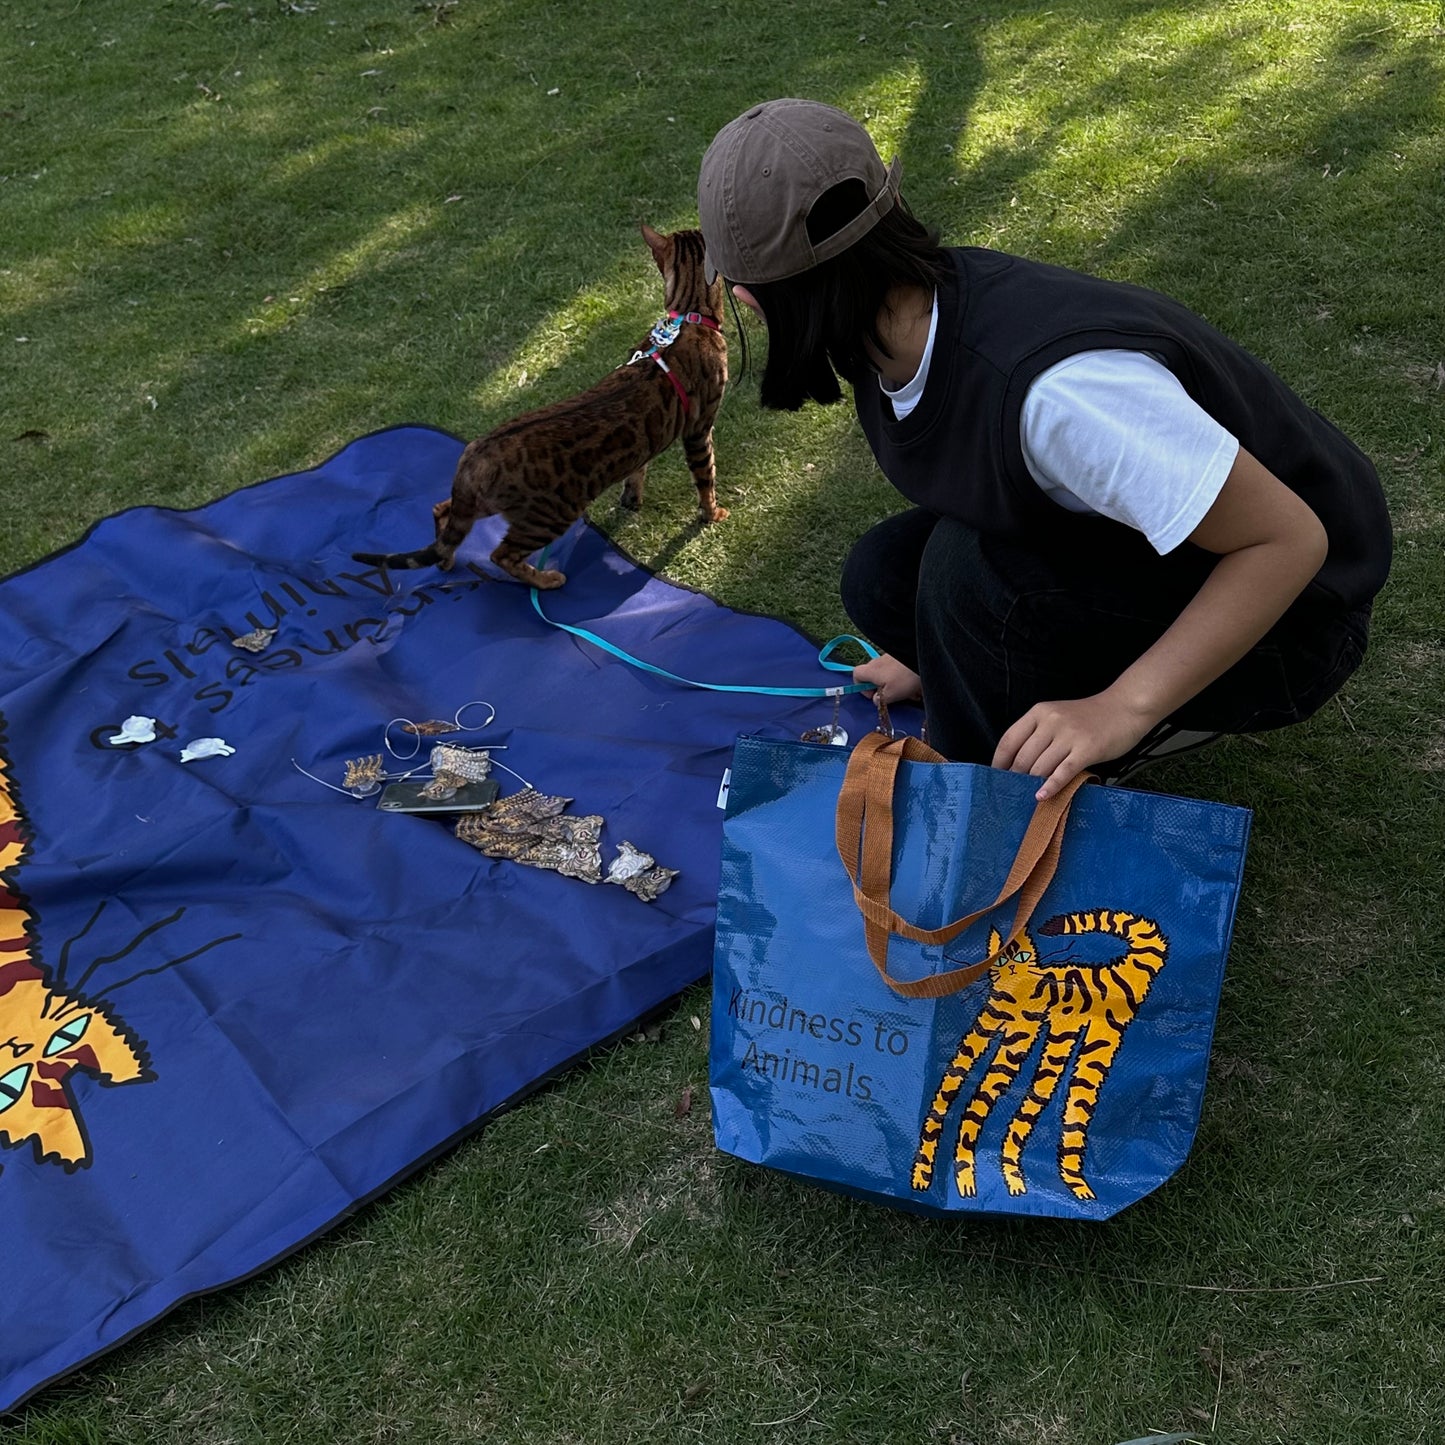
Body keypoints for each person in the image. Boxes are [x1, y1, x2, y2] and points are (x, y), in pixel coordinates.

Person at [697, 99, 1392, 800]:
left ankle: (1007, 797)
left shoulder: (1057, 396)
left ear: (768, 301)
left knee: (965, 577)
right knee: (883, 575)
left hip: (1299, 621)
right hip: (1174, 558)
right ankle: (998, 704)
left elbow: (1288, 540)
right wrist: (938, 659)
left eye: (739, 293)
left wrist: (1122, 707)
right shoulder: (890, 324)